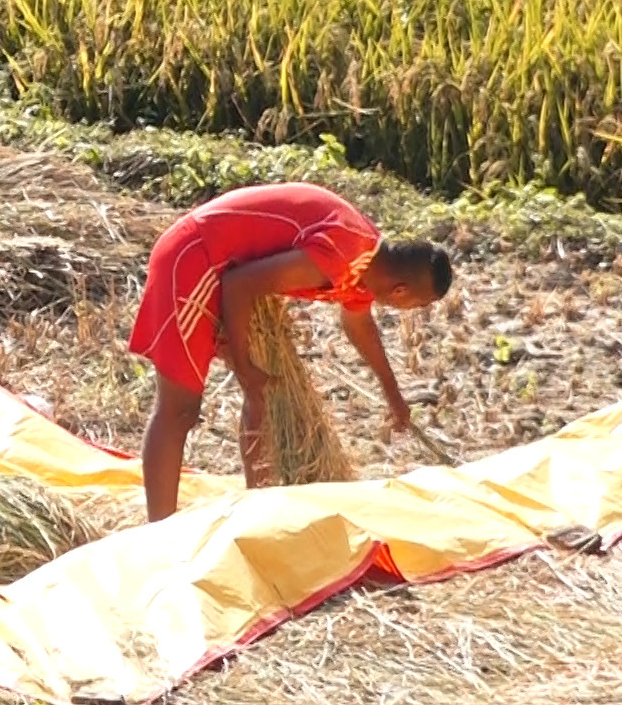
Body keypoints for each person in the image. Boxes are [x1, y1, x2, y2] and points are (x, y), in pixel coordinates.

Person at [129, 182, 452, 522]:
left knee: (265, 399)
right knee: (179, 410)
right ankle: (159, 532)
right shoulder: (346, 252)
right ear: (400, 291)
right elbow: (239, 285)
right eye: (419, 305)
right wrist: (243, 366)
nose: (412, 310)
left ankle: (259, 511)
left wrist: (393, 394)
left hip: (220, 267)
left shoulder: (365, 268)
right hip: (196, 259)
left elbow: (360, 326)